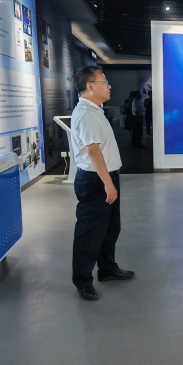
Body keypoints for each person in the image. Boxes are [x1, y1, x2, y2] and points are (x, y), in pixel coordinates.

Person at [70, 66, 134, 301]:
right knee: (89, 232)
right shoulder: (86, 113)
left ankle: (107, 269)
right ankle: (83, 281)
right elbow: (93, 151)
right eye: (104, 81)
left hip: (105, 177)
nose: (109, 85)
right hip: (96, 180)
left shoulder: (94, 110)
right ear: (90, 86)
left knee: (110, 227)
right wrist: (108, 183)